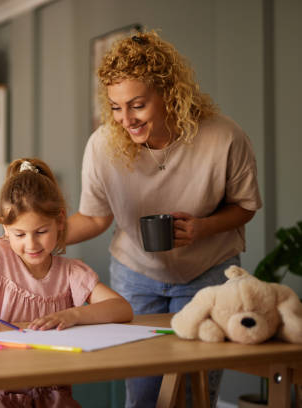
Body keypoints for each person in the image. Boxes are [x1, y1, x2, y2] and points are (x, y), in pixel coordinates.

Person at [67, 30, 262, 408]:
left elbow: (246, 205)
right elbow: (94, 218)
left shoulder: (224, 137)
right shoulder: (103, 145)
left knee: (194, 394)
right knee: (141, 396)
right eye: (116, 107)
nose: (126, 119)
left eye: (137, 105)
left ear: (169, 92)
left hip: (207, 274)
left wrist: (203, 227)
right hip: (136, 277)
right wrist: (41, 236)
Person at [0, 158, 133, 408]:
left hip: (44, 395)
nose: (31, 244)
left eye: (41, 232)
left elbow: (122, 308)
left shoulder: (71, 272)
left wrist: (73, 314)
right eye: (20, 234)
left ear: (60, 221)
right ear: (5, 228)